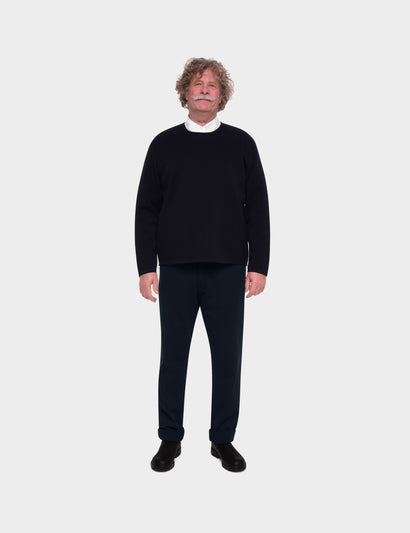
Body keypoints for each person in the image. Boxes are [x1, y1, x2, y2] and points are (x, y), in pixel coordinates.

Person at [134, 57, 270, 473]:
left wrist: (259, 264)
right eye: (197, 83)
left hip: (228, 269)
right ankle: (169, 438)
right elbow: (146, 209)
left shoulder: (242, 144)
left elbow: (258, 208)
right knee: (173, 357)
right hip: (175, 268)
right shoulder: (163, 144)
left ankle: (222, 439)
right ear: (185, 93)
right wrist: (146, 266)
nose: (205, 89)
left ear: (222, 95)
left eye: (212, 84)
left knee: (227, 359)